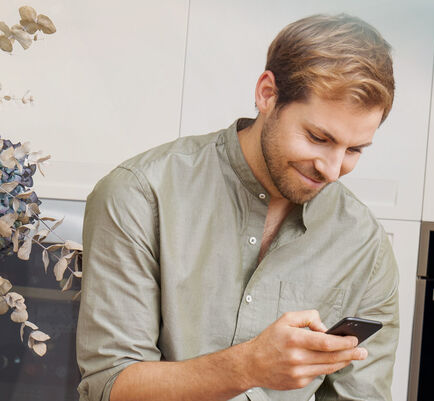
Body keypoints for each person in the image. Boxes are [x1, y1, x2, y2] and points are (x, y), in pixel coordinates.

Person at [76, 13, 399, 401]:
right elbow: (109, 386)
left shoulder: (366, 245)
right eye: (317, 138)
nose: (332, 169)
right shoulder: (140, 194)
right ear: (267, 94)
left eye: (354, 150)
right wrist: (248, 366)